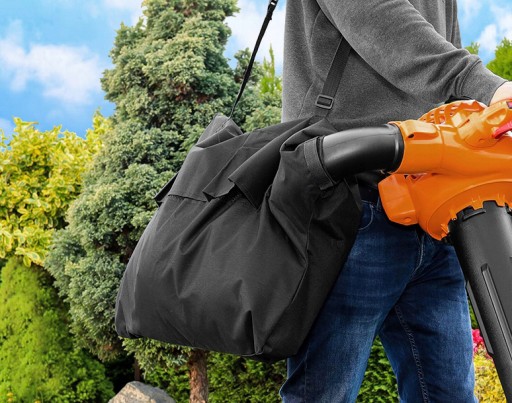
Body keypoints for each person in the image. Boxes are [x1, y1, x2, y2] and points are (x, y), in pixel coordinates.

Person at [279, 0, 512, 402]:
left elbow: (448, 72)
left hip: (431, 206)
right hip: (349, 201)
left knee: (450, 394)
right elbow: (375, 15)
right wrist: (486, 85)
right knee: (323, 394)